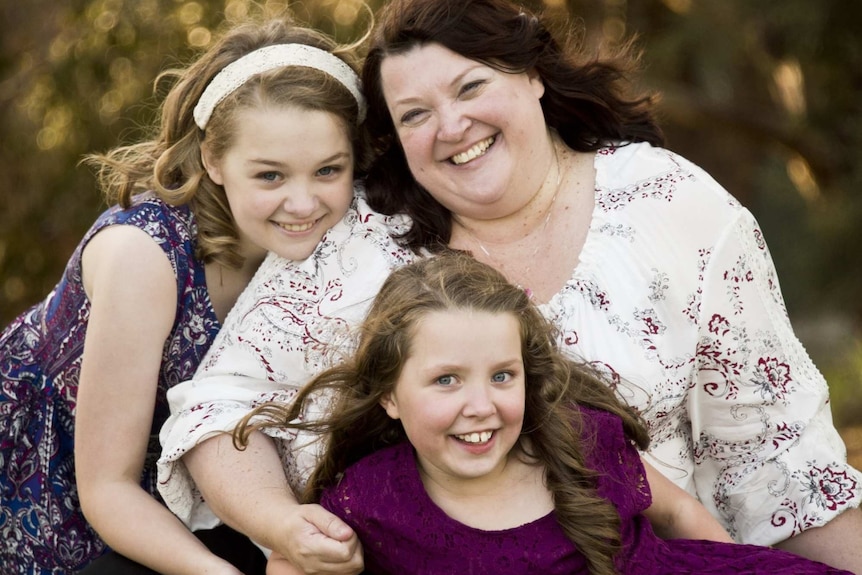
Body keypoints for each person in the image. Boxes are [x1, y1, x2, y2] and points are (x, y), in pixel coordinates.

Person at [157, 0, 862, 573]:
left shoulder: (674, 208)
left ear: (531, 74)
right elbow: (219, 409)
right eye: (414, 115)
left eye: (470, 87)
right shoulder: (359, 237)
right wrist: (286, 525)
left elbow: (781, 460)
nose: (451, 126)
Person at [0, 15, 373, 575]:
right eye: (270, 176)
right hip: (50, 486)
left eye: (327, 170)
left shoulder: (347, 239)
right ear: (214, 161)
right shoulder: (145, 256)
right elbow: (106, 488)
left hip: (189, 496)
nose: (303, 203)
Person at [236, 252, 852, 575]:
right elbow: (293, 560)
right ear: (390, 397)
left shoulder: (579, 442)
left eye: (503, 376)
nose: (482, 405)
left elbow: (681, 511)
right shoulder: (370, 498)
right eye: (446, 380)